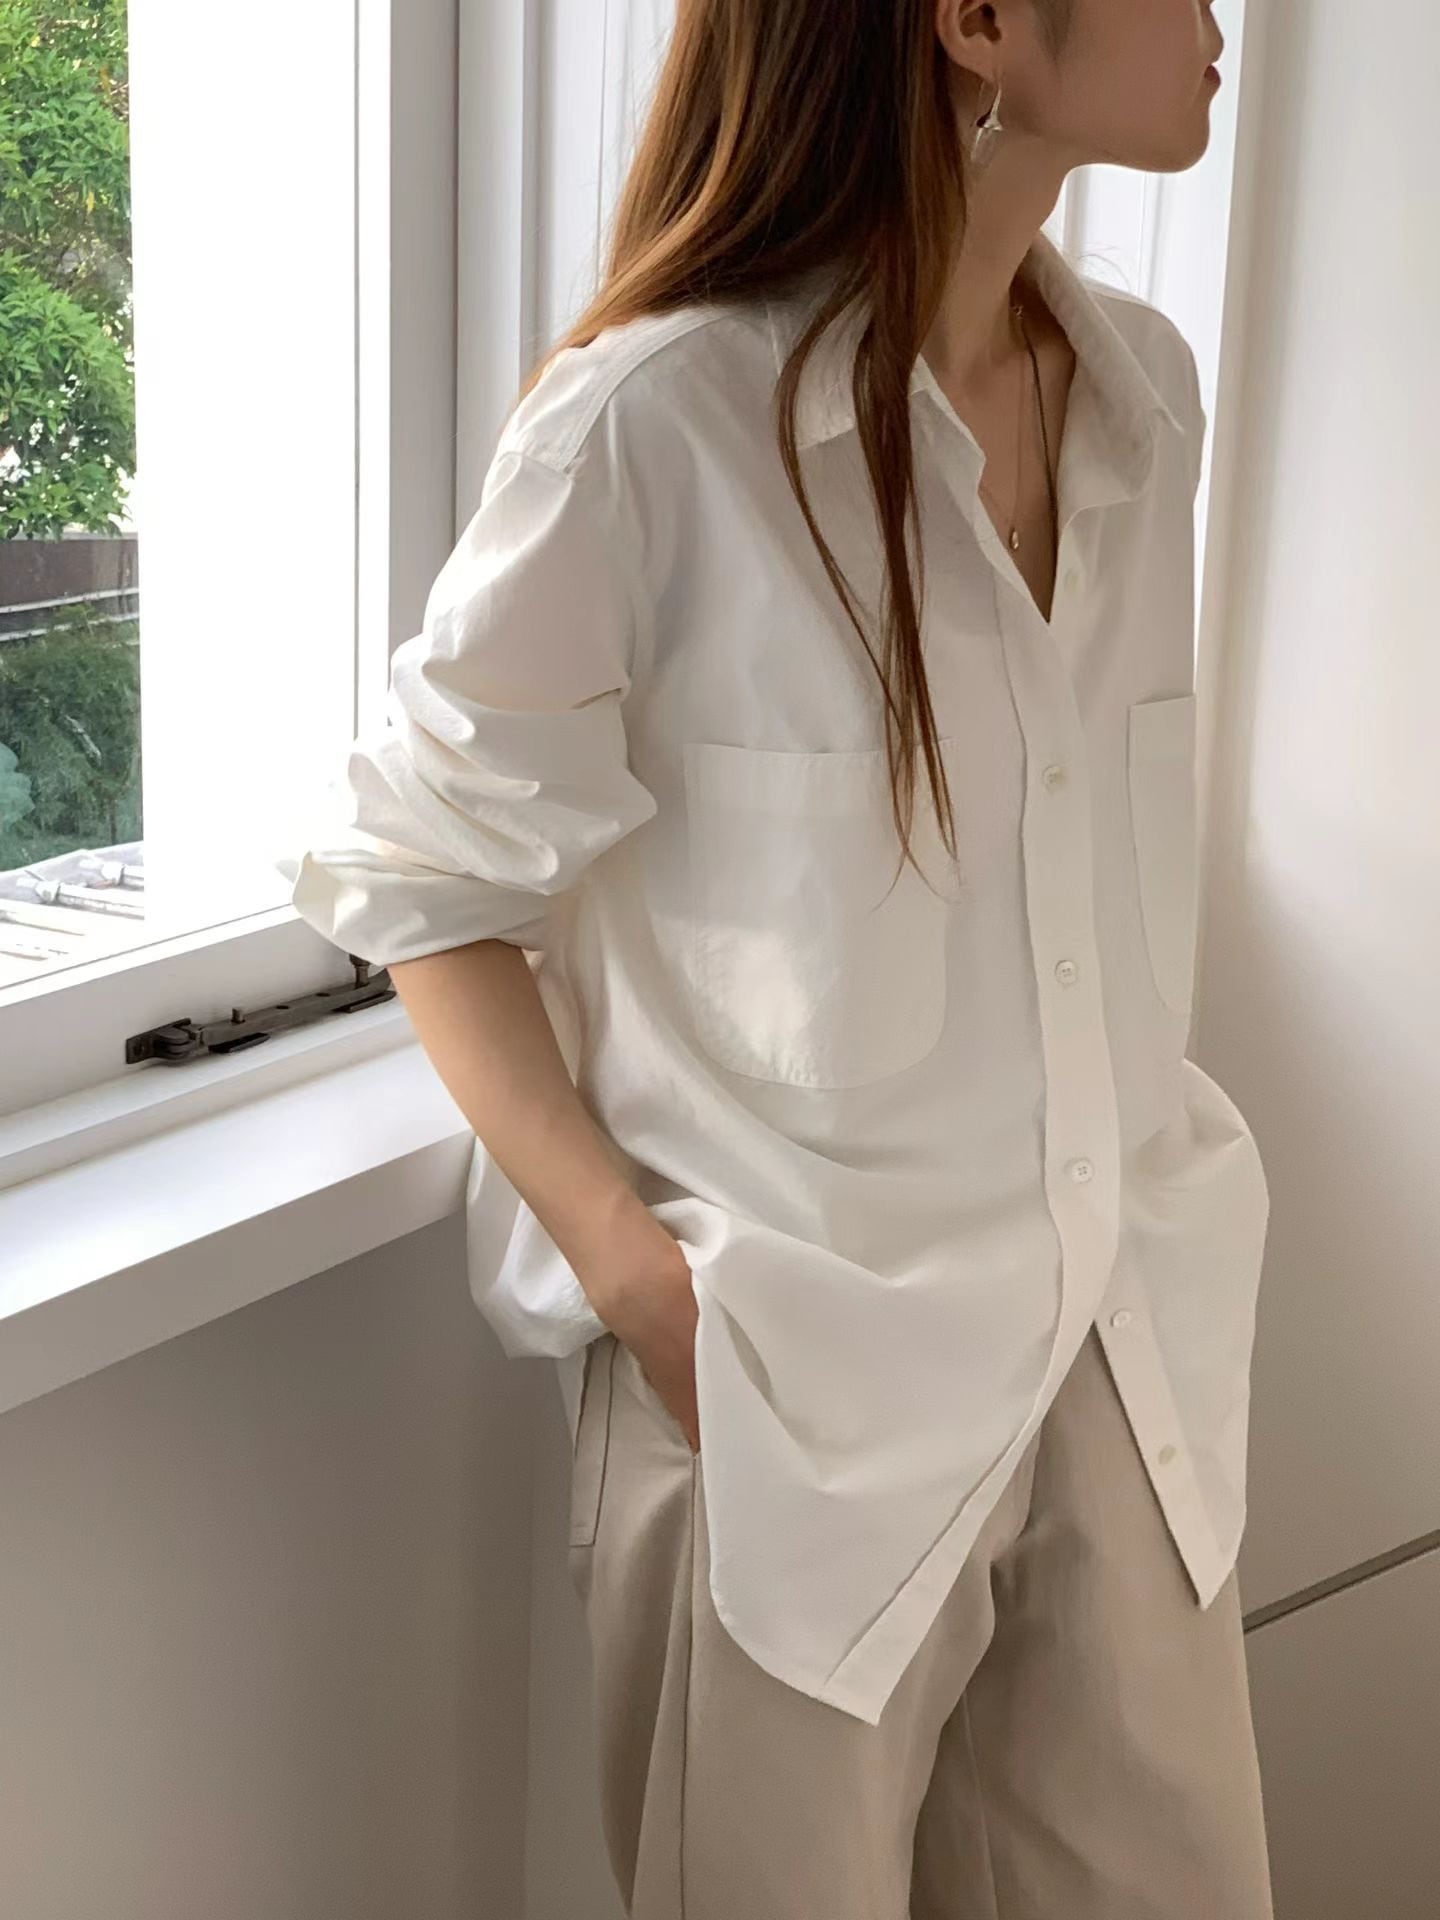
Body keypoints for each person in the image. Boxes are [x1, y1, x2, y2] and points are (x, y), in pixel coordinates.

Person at [279, 1, 1276, 1913]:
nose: (1217, 22)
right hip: (786, 1417)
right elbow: (421, 874)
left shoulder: (1142, 396)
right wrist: (637, 1278)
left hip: (1122, 1365)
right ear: (978, 22)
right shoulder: (658, 427)